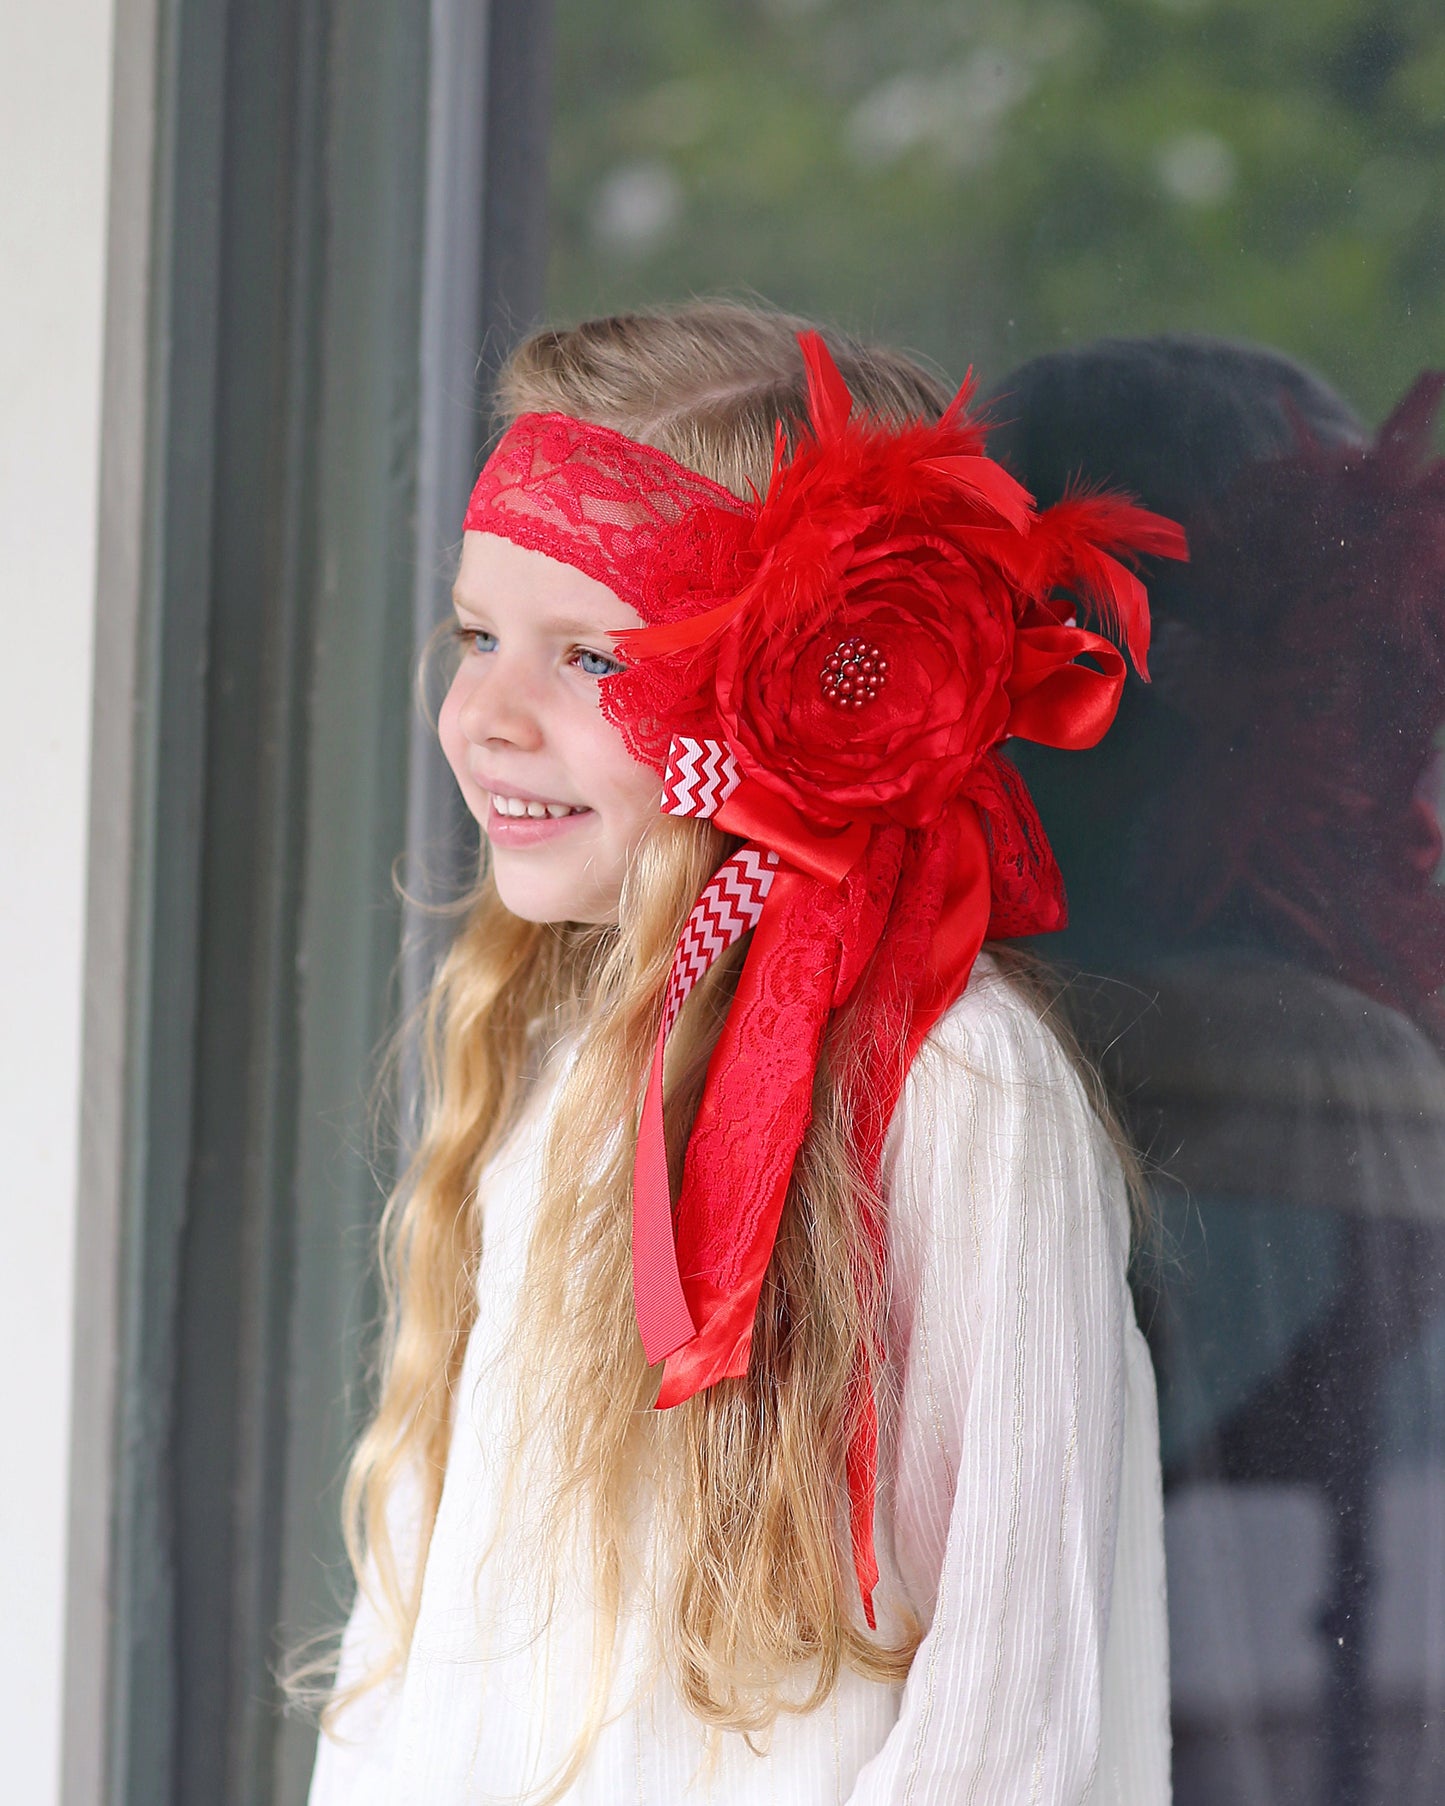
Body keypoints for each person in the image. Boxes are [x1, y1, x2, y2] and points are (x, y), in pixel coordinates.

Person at [303, 301, 1185, 1804]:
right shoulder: (549, 1055)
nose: (483, 715)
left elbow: (1012, 1715)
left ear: (799, 692)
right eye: (475, 634)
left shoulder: (956, 1087)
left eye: (587, 658)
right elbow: (418, 1653)